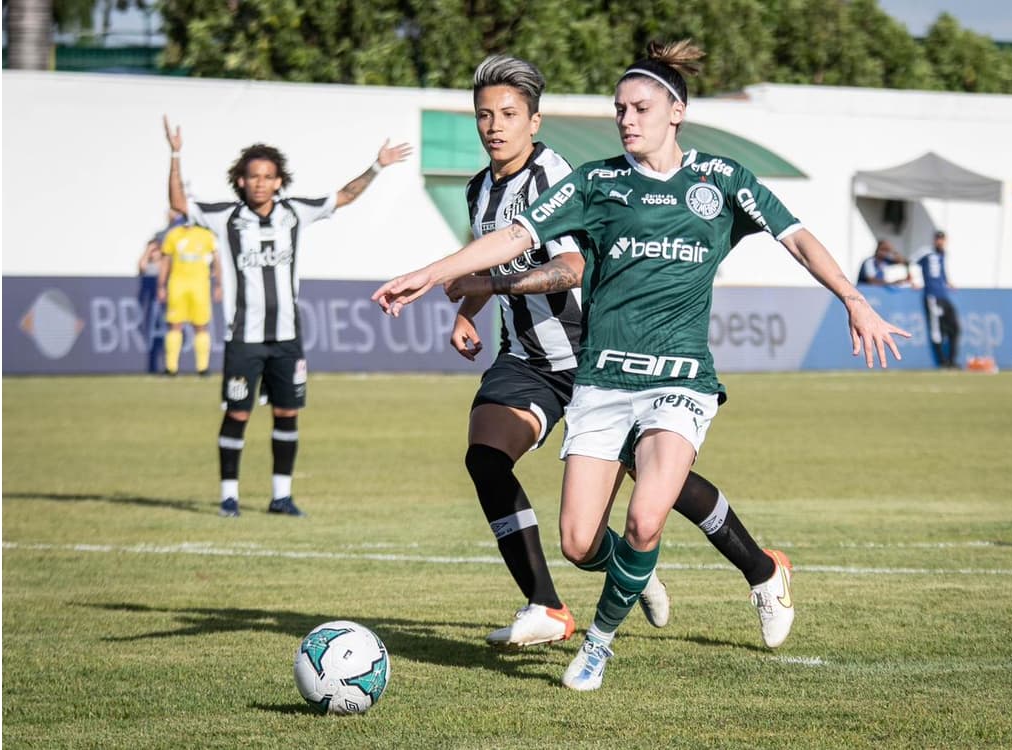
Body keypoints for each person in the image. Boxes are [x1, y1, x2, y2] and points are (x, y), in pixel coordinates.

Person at [372, 40, 908, 691]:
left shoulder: (722, 180)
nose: (627, 119)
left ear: (675, 111)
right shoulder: (597, 183)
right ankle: (684, 571)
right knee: (578, 542)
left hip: (680, 382)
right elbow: (515, 237)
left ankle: (598, 643)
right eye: (619, 108)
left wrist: (853, 298)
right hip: (601, 381)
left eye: (640, 107)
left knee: (648, 514)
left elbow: (794, 235)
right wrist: (432, 275)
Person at [447, 54, 794, 652]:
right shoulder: (480, 189)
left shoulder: (559, 176)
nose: (494, 126)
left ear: (534, 121)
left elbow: (570, 267)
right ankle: (548, 605)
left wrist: (490, 286)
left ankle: (762, 570)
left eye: (508, 114)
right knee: (485, 456)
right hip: (527, 357)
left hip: (593, 352)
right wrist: (464, 312)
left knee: (662, 482)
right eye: (484, 115)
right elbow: (492, 261)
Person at [163, 115, 412, 517]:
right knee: (238, 413)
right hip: (244, 337)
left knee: (287, 412)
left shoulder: (295, 213)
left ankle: (281, 497)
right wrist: (175, 153)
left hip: (286, 337)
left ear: (279, 181)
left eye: (268, 176)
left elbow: (344, 196)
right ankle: (229, 496)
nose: (260, 182)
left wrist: (378, 165)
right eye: (253, 176)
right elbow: (178, 203)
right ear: (241, 181)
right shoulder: (225, 217)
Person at [157, 210, 222, 376]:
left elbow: (216, 260)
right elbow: (165, 261)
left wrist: (218, 284)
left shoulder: (206, 235)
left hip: (200, 285)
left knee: (200, 326)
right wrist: (161, 285)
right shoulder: (173, 235)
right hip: (177, 284)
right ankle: (171, 368)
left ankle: (203, 367)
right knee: (175, 324)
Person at [917, 230, 960, 368]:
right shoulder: (926, 253)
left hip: (943, 295)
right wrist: (913, 280)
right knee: (937, 330)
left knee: (955, 328)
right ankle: (942, 362)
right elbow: (910, 262)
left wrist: (948, 282)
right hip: (932, 296)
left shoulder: (943, 254)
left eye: (942, 239)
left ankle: (952, 360)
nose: (940, 241)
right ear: (934, 240)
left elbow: (942, 271)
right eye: (938, 238)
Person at [137, 233, 167, 373]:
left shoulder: (164, 263)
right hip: (153, 304)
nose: (154, 253)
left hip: (165, 304)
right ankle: (153, 367)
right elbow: (142, 267)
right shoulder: (149, 265)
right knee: (153, 337)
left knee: (167, 336)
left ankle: (169, 365)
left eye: (156, 250)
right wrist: (148, 250)